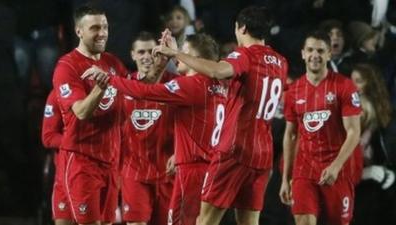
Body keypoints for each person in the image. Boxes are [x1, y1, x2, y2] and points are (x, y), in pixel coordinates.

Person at [153, 6, 288, 225]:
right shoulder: (281, 62)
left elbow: (218, 71)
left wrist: (176, 53)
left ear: (241, 27)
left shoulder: (244, 55)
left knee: (205, 220)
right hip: (263, 154)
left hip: (235, 150)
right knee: (249, 221)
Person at [82, 32, 229, 225]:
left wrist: (110, 79)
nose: (179, 56)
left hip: (189, 169)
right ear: (132, 54)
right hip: (206, 166)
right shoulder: (220, 85)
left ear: (197, 59)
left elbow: (145, 91)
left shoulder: (188, 85)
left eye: (184, 53)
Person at [52, 5, 128, 225]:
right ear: (79, 31)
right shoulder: (67, 66)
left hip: (110, 160)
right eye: (95, 27)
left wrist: (159, 66)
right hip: (82, 159)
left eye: (104, 26)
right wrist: (101, 86)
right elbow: (82, 112)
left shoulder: (113, 63)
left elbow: (136, 91)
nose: (102, 32)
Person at [280, 30, 362, 225]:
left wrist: (335, 166)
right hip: (304, 170)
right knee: (304, 221)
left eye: (320, 50)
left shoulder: (345, 87)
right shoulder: (293, 91)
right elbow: (291, 135)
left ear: (328, 54)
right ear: (302, 53)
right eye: (310, 50)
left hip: (337, 170)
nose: (314, 55)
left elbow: (354, 132)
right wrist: (286, 177)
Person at [120, 31, 175, 225]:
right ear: (132, 55)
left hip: (169, 174)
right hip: (135, 172)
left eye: (151, 51)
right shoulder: (123, 87)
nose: (146, 56)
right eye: (141, 52)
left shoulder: (176, 85)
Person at [350, 63, 395, 225]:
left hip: (375, 192)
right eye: (351, 80)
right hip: (352, 190)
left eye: (359, 81)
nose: (352, 85)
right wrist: (367, 173)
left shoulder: (385, 122)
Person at [41, 89, 74, 225]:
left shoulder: (108, 94)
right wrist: (79, 144)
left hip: (99, 175)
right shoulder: (57, 94)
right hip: (65, 177)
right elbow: (48, 137)